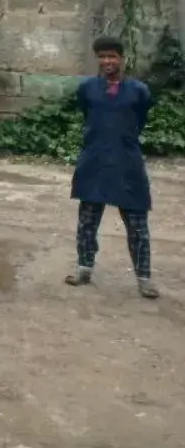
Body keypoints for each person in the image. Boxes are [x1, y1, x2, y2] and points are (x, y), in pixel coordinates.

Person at [65, 36, 159, 298]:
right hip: (94, 161)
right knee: (87, 222)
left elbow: (139, 120)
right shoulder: (87, 89)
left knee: (138, 225)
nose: (107, 61)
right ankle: (84, 269)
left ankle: (144, 278)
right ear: (98, 59)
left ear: (121, 58)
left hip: (127, 163)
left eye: (112, 56)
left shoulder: (139, 91)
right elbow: (88, 115)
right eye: (103, 56)